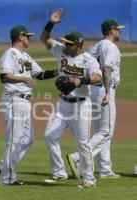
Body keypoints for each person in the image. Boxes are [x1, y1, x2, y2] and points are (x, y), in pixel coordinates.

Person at [40, 8, 102, 188]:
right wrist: (51, 22)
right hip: (62, 104)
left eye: (70, 44)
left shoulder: (89, 60)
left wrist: (79, 81)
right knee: (49, 136)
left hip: (81, 106)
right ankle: (59, 173)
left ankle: (89, 178)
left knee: (83, 143)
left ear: (79, 45)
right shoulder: (60, 51)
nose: (66, 46)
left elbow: (97, 77)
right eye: (65, 43)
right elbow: (45, 38)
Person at [0, 25, 58, 185]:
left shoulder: (26, 56)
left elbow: (40, 74)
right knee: (13, 140)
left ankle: (3, 167)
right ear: (21, 37)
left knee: (28, 139)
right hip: (14, 100)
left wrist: (60, 71)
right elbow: (4, 76)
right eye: (27, 36)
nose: (29, 38)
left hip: (25, 102)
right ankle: (7, 178)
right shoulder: (10, 54)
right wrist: (23, 79)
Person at [67, 19, 124, 179]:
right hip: (103, 90)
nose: (119, 32)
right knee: (106, 132)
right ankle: (78, 158)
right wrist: (107, 91)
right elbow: (106, 68)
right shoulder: (110, 46)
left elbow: (83, 67)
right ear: (111, 30)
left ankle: (105, 169)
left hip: (92, 91)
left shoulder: (96, 47)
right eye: (117, 29)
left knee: (101, 130)